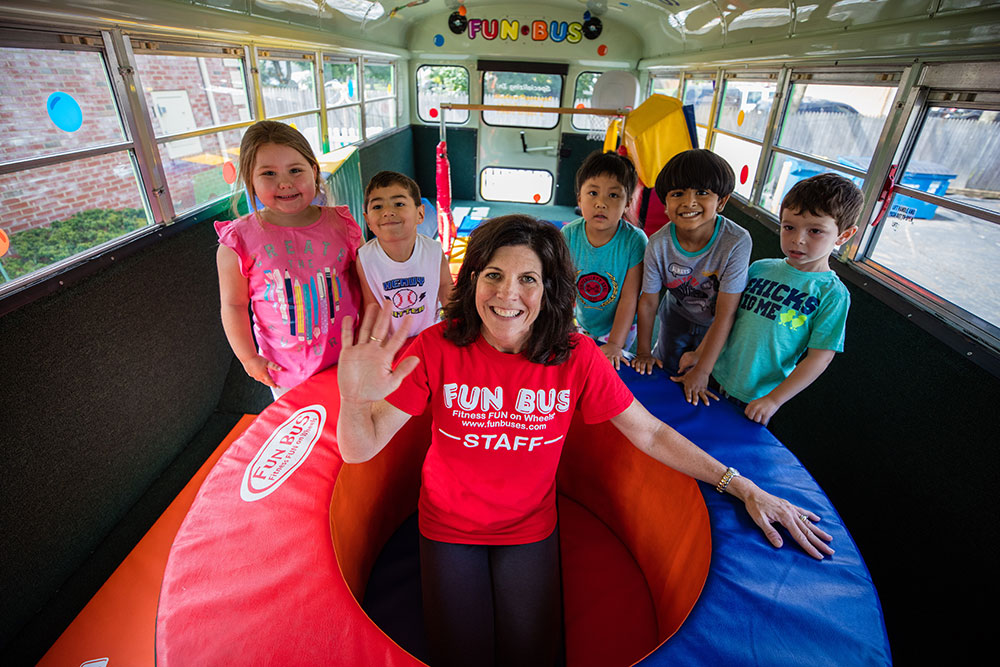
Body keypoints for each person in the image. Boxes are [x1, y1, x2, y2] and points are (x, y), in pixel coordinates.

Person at [337, 215, 833, 667]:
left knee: (534, 655)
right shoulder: (437, 345)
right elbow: (360, 449)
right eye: (493, 275)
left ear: (549, 289)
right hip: (447, 525)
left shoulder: (573, 355)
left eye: (527, 279)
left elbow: (651, 431)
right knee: (460, 655)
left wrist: (742, 485)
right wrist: (355, 403)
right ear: (471, 282)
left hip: (528, 527)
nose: (508, 294)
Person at [216, 120, 361, 399]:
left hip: (348, 361)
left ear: (314, 171)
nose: (285, 183)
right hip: (285, 372)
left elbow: (367, 285)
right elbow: (233, 305)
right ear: (250, 179)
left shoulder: (342, 224)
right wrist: (248, 358)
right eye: (269, 173)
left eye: (295, 170)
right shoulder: (238, 240)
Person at [705, 173, 863, 426]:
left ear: (843, 236)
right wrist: (702, 357)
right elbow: (727, 318)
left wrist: (774, 400)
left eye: (815, 231)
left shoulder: (832, 294)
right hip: (714, 374)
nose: (798, 239)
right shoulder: (760, 268)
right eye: (789, 227)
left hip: (757, 397)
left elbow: (819, 358)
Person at [633, 149, 751, 407]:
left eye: (702, 193)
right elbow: (649, 301)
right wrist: (643, 352)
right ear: (665, 204)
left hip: (716, 324)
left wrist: (703, 369)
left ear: (721, 201)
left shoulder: (736, 241)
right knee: (667, 370)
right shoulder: (658, 244)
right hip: (675, 316)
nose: (689, 202)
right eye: (678, 194)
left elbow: (726, 313)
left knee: (704, 381)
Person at [561, 151, 647, 369]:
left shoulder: (634, 241)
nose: (601, 203)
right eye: (592, 193)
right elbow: (563, 288)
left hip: (620, 327)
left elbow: (629, 298)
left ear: (628, 203)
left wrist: (616, 343)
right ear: (579, 198)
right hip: (583, 320)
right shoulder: (569, 235)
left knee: (607, 369)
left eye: (613, 195)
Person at [357, 171, 453, 337]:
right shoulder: (365, 259)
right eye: (378, 207)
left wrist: (457, 325)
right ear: (368, 221)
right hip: (391, 341)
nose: (387, 212)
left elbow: (447, 290)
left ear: (420, 214)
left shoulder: (433, 251)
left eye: (399, 204)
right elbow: (370, 306)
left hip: (429, 335)